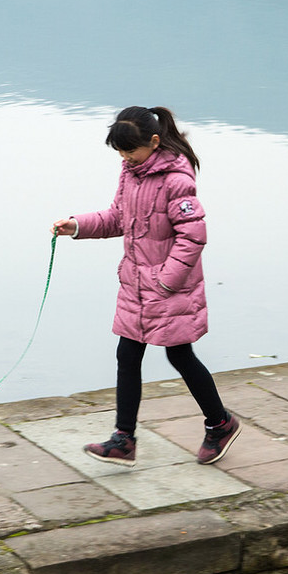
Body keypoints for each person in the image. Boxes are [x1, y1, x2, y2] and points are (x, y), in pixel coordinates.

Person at [51, 106, 240, 466]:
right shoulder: (131, 173)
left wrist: (166, 281)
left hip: (168, 287)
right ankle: (124, 439)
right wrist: (76, 225)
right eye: (120, 153)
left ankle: (220, 424)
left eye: (130, 151)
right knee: (128, 354)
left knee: (179, 354)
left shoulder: (176, 179)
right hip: (136, 284)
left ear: (153, 142)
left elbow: (193, 236)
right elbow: (118, 217)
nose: (125, 158)